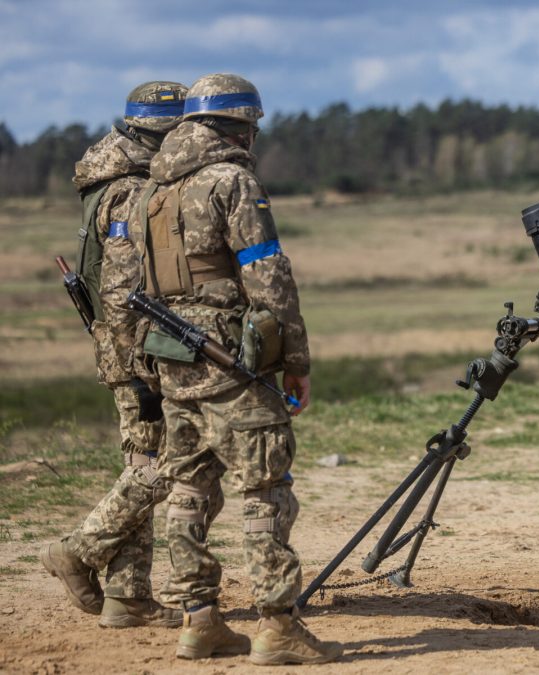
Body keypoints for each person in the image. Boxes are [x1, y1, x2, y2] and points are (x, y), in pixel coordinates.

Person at [132, 73, 340, 665]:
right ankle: (277, 626)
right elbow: (267, 276)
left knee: (188, 489)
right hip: (231, 363)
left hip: (174, 361)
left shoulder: (154, 191)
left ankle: (200, 621)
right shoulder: (233, 181)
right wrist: (294, 359)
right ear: (239, 125)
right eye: (252, 125)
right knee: (265, 489)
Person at [40, 81, 223, 629]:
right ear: (162, 132)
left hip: (130, 352)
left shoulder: (117, 181)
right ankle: (77, 549)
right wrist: (145, 367)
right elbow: (123, 295)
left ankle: (126, 599)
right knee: (172, 463)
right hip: (138, 354)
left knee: (141, 465)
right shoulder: (129, 192)